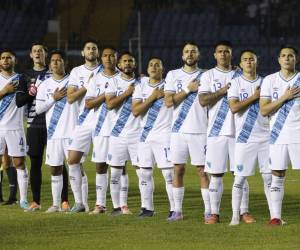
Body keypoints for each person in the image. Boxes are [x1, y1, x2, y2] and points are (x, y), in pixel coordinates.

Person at [199, 41, 252, 224]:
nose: (223, 54)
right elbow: (203, 100)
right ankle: (214, 213)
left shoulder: (240, 74)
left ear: (231, 54)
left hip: (240, 132)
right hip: (216, 131)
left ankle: (244, 212)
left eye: (226, 51)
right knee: (216, 174)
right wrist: (222, 91)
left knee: (241, 174)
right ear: (215, 55)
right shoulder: (208, 75)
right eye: (220, 52)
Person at [16, 42, 69, 212]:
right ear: (31, 55)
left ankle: (64, 201)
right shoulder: (25, 76)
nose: (38, 53)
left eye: (41, 50)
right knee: (35, 162)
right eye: (34, 51)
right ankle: (36, 201)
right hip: (34, 123)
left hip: (55, 124)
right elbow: (19, 102)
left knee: (60, 163)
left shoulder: (54, 72)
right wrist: (32, 92)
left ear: (45, 55)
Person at [164, 42, 210, 221]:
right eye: (186, 52)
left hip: (200, 129)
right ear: (182, 56)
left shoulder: (207, 75)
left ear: (198, 55)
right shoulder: (173, 75)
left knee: (202, 171)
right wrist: (187, 89)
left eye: (193, 51)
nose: (190, 54)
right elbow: (168, 102)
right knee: (178, 169)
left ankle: (209, 211)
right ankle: (177, 210)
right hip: (178, 131)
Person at [228, 49, 272, 225]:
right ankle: (234, 216)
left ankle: (275, 216)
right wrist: (254, 97)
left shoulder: (266, 82)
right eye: (245, 60)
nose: (248, 62)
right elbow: (234, 107)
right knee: (239, 178)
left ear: (257, 62)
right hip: (244, 138)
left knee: (269, 178)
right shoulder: (236, 83)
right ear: (240, 64)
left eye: (251, 59)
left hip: (266, 137)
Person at [260, 45, 300, 226]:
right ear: (278, 60)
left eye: (290, 56)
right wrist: (285, 97)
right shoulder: (269, 80)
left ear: (296, 59)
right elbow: (263, 110)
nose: (287, 58)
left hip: (298, 134)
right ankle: (275, 217)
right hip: (277, 135)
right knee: (277, 174)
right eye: (283, 56)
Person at [132, 57, 174, 218]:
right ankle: (147, 208)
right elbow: (136, 111)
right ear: (147, 69)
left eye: (158, 64)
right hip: (145, 135)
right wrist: (153, 97)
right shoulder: (140, 86)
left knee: (168, 174)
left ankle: (174, 209)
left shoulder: (169, 86)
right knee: (144, 173)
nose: (154, 67)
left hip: (165, 135)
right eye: (151, 65)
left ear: (163, 69)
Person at [36, 50, 76, 212]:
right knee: (55, 168)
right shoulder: (45, 85)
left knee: (76, 168)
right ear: (49, 64)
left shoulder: (73, 82)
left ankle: (81, 203)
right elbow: (38, 109)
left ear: (64, 63)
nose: (55, 63)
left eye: (59, 60)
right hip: (53, 133)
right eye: (52, 60)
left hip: (72, 133)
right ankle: (55, 204)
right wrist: (53, 98)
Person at [67, 40, 102, 212]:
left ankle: (104, 204)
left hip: (102, 122)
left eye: (94, 48)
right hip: (83, 122)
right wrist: (87, 86)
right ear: (83, 52)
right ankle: (80, 202)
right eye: (88, 48)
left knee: (105, 162)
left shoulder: (106, 71)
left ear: (98, 52)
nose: (91, 50)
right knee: (72, 160)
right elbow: (71, 97)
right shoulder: (76, 72)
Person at [105, 51, 140, 216]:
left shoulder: (142, 82)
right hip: (117, 133)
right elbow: (110, 104)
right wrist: (126, 93)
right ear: (119, 65)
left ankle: (144, 206)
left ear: (135, 64)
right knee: (116, 170)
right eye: (124, 61)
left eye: (130, 61)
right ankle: (118, 206)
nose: (127, 63)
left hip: (137, 134)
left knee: (142, 170)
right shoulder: (113, 82)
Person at [86, 47, 119, 214]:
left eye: (111, 55)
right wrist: (104, 96)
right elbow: (88, 104)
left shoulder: (124, 78)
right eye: (105, 55)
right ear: (102, 57)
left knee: (119, 167)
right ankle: (100, 204)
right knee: (100, 166)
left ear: (116, 58)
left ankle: (120, 205)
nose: (108, 58)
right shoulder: (95, 79)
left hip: (119, 129)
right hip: (100, 128)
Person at [0, 49, 28, 209]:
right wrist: (4, 91)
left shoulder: (21, 79)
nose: (5, 60)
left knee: (19, 163)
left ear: (14, 61)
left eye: (8, 58)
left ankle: (23, 199)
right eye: (3, 58)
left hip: (15, 128)